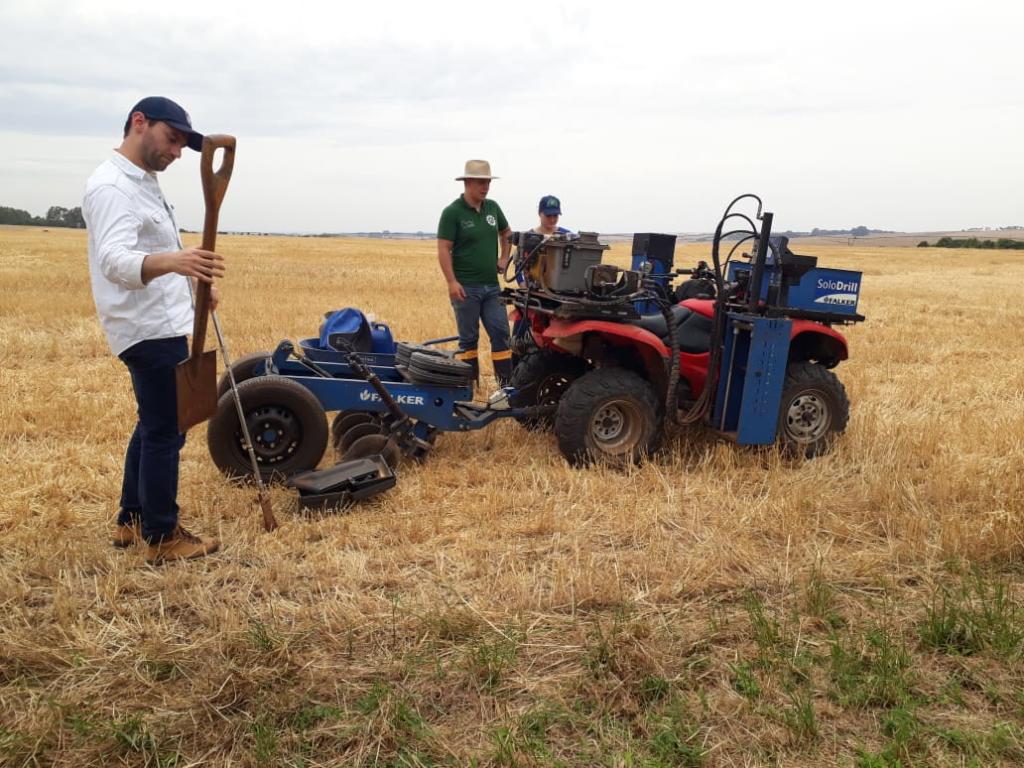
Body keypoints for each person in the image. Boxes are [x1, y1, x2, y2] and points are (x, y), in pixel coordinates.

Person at [83, 96, 224, 565]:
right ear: (139, 123)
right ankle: (162, 536)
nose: (177, 152)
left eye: (183, 145)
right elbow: (114, 260)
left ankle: (131, 518)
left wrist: (193, 284)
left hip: (162, 321)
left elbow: (156, 250)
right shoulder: (112, 187)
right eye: (172, 139)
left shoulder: (143, 183)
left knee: (153, 423)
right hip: (144, 327)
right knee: (166, 431)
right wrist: (178, 262)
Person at [436, 159, 514, 387]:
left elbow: (507, 234)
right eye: (481, 182)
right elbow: (443, 249)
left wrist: (504, 257)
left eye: (488, 182)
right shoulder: (452, 212)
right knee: (469, 340)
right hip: (465, 288)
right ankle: (469, 390)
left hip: (492, 287)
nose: (486, 187)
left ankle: (506, 389)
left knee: (501, 333)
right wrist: (451, 282)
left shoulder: (493, 208)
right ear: (467, 182)